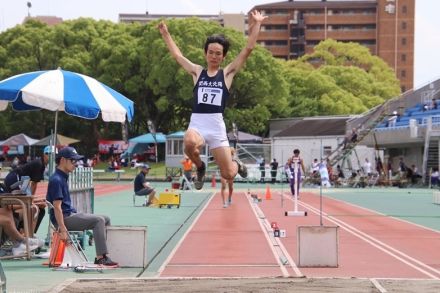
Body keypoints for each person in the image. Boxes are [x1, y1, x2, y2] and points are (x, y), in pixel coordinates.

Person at [157, 10, 267, 189]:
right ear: (205, 54)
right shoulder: (197, 72)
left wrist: (258, 24)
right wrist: (166, 34)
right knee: (189, 143)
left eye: (218, 53)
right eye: (211, 52)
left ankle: (236, 163)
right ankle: (200, 168)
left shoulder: (227, 74)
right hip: (198, 123)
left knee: (228, 174)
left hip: (216, 126)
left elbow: (248, 49)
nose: (214, 56)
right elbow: (178, 56)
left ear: (223, 56)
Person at [46, 147, 118, 267]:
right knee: (98, 220)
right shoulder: (57, 179)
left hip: (69, 215)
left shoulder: (62, 176)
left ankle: (107, 253)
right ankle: (101, 257)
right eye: (73, 161)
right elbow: (57, 207)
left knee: (106, 218)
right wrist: (62, 229)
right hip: (64, 219)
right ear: (63, 160)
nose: (76, 164)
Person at [4, 146, 51, 233]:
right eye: (49, 154)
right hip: (15, 179)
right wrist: (32, 201)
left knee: (37, 208)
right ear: (44, 154)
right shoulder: (39, 164)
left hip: (22, 181)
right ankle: (22, 232)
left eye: (54, 155)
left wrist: (32, 200)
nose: (51, 156)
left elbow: (30, 185)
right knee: (24, 204)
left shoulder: (42, 165)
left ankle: (28, 233)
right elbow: (34, 184)